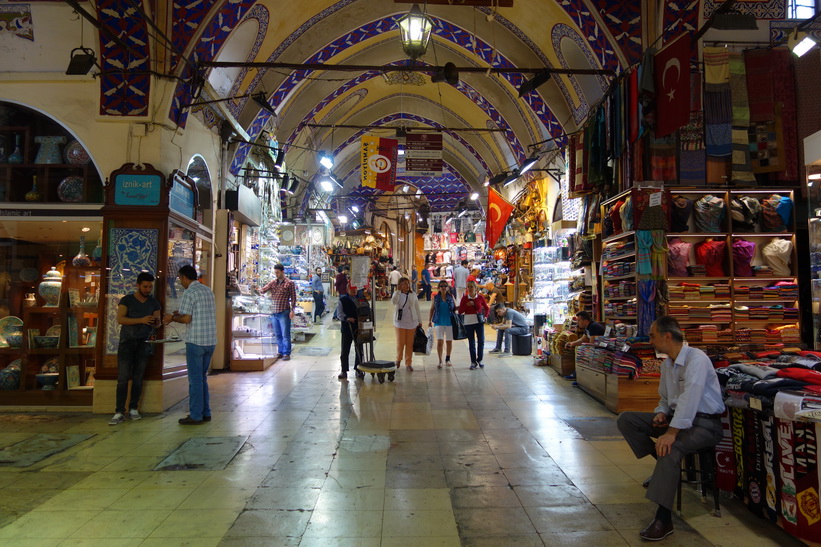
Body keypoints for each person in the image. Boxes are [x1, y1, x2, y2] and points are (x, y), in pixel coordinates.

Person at [616, 316, 725, 541]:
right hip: (677, 420)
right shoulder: (667, 363)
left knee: (669, 449)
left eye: (653, 336)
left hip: (705, 425)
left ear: (667, 336)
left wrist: (671, 432)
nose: (650, 341)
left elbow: (690, 397)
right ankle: (665, 470)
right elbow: (666, 398)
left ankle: (663, 520)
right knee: (627, 420)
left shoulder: (697, 359)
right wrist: (661, 413)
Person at [163, 265, 217, 425]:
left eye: (180, 279)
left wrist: (171, 318)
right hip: (210, 341)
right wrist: (179, 315)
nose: (180, 282)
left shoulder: (189, 292)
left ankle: (195, 415)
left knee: (195, 380)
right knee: (202, 378)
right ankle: (205, 412)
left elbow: (187, 319)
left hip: (196, 341)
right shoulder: (208, 290)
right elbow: (194, 313)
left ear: (185, 278)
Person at [109, 272, 162, 425]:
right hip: (127, 342)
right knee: (123, 378)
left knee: (138, 378)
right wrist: (141, 320)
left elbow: (157, 323)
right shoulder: (127, 300)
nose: (148, 289)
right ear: (138, 285)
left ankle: (133, 408)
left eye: (150, 287)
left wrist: (155, 322)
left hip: (143, 343)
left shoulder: (154, 303)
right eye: (145, 286)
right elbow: (120, 319)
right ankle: (119, 411)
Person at [259, 263, 297, 361]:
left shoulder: (290, 283)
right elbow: (263, 290)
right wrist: (255, 290)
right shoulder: (273, 283)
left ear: (282, 272)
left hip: (284, 311)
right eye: (275, 272)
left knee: (285, 334)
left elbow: (293, 298)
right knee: (278, 334)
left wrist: (292, 310)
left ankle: (286, 353)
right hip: (274, 312)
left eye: (277, 272)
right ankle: (280, 351)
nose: (276, 274)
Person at [391, 276, 422, 371]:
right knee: (400, 343)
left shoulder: (413, 294)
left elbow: (417, 307)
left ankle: (408, 363)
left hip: (411, 322)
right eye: (404, 283)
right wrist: (398, 291)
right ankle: (398, 360)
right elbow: (393, 302)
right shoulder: (397, 294)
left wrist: (420, 321)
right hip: (400, 322)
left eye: (407, 283)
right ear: (400, 285)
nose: (407, 285)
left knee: (409, 343)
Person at [459, 280, 489, 370]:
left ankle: (480, 359)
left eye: (472, 287)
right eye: (469, 287)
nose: (470, 289)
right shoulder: (464, 298)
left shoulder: (480, 298)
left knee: (481, 341)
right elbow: (460, 311)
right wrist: (466, 305)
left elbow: (487, 308)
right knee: (471, 342)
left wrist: (486, 317)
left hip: (479, 322)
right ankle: (473, 361)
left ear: (476, 288)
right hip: (468, 322)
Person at [336, 283, 362, 380]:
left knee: (359, 349)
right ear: (347, 290)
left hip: (358, 327)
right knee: (345, 349)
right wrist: (347, 318)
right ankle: (344, 370)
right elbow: (339, 313)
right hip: (347, 328)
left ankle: (359, 368)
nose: (354, 290)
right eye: (352, 289)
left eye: (355, 289)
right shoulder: (342, 300)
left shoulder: (360, 299)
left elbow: (365, 309)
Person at [428, 280, 456, 368]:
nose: (443, 288)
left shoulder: (451, 297)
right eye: (441, 286)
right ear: (439, 288)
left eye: (445, 286)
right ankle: (440, 360)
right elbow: (432, 309)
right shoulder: (435, 298)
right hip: (439, 321)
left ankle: (448, 358)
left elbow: (455, 308)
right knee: (440, 341)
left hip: (449, 321)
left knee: (449, 341)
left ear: (447, 287)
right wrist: (429, 320)